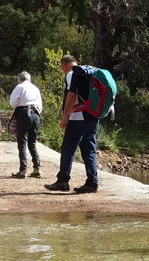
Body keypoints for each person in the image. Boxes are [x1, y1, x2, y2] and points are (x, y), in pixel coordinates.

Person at [44, 55, 102, 194]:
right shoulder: (90, 73)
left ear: (64, 64)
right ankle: (92, 183)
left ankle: (62, 181)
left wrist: (65, 117)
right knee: (89, 150)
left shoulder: (72, 74)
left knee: (68, 149)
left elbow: (71, 95)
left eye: (61, 67)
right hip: (94, 116)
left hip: (78, 117)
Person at [8, 71, 43, 178]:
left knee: (22, 142)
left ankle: (23, 170)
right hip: (36, 114)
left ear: (20, 79)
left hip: (24, 113)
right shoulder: (35, 88)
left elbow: (13, 102)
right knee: (32, 142)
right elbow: (40, 104)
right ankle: (37, 168)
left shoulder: (20, 87)